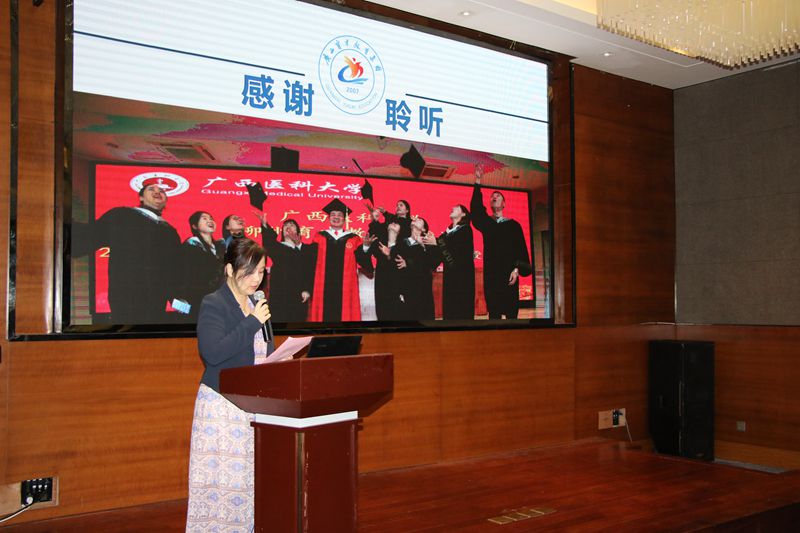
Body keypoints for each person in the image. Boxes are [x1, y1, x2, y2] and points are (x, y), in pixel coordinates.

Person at [185, 237, 274, 532]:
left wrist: (279, 360)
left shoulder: (257, 304)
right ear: (229, 270)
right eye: (249, 272)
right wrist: (251, 322)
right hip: (222, 409)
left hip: (254, 406)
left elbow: (263, 351)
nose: (256, 279)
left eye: (260, 272)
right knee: (223, 485)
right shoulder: (214, 303)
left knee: (249, 482)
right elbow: (212, 353)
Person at [73, 180, 182, 324]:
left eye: (162, 191)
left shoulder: (171, 232)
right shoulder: (122, 215)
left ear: (166, 200)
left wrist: (181, 304)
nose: (157, 192)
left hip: (157, 301)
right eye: (151, 189)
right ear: (141, 197)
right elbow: (90, 235)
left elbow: (173, 270)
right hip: (127, 298)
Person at [470, 177, 532, 319]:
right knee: (494, 313)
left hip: (509, 274)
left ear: (504, 204)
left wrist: (516, 270)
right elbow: (476, 211)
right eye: (492, 196)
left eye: (498, 196)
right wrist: (477, 183)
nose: (494, 197)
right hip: (492, 275)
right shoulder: (487, 223)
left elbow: (521, 250)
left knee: (511, 314)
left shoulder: (514, 225)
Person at [308, 198, 371, 322]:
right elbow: (310, 262)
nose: (336, 217)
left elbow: (364, 262)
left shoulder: (354, 239)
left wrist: (366, 247)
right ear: (328, 218)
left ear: (344, 219)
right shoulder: (319, 237)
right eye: (333, 214)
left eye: (339, 215)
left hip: (345, 288)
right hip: (323, 287)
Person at [258, 214, 317, 322]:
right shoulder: (277, 248)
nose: (288, 227)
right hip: (280, 295)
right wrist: (265, 225)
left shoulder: (308, 249)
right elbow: (269, 242)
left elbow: (310, 271)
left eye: (291, 225)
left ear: (298, 231)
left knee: (297, 325)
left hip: (299, 295)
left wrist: (307, 289)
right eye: (285, 226)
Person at [393, 217, 441, 321]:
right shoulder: (401, 242)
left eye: (419, 220)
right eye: (415, 219)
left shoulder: (429, 242)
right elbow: (395, 262)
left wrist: (422, 245)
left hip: (422, 289)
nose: (415, 219)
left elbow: (432, 264)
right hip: (405, 288)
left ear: (423, 229)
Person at [181, 211, 226, 320]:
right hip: (197, 299)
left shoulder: (220, 247)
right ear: (195, 226)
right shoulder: (191, 245)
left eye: (211, 218)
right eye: (204, 218)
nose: (210, 220)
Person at [436, 204, 476, 320]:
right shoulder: (447, 232)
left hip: (462, 280)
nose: (453, 208)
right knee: (450, 313)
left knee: (461, 312)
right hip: (450, 277)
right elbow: (440, 251)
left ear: (463, 214)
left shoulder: (465, 230)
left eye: (457, 207)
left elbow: (455, 254)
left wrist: (437, 242)